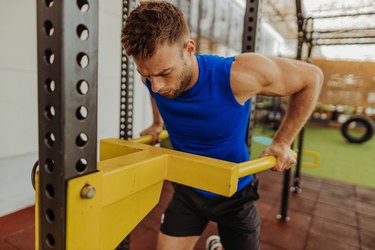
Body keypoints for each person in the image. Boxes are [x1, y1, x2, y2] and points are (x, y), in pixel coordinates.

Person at [121, 1, 323, 250]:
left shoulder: (236, 76)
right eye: (147, 76)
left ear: (189, 49)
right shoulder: (153, 76)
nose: (157, 86)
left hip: (235, 192)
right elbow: (155, 87)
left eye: (164, 73)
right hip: (188, 189)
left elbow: (312, 78)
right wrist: (156, 123)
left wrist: (282, 141)